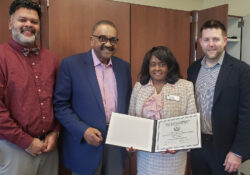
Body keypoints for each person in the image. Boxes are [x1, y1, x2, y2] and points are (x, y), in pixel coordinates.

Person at [53, 20, 132, 175]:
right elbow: (60, 105)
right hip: (85, 145)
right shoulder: (71, 65)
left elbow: (128, 103)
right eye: (103, 38)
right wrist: (83, 130)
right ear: (92, 40)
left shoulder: (123, 67)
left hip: (116, 143)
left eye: (113, 40)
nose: (108, 44)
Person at [0, 0, 60, 175]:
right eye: (22, 20)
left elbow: (60, 100)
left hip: (50, 148)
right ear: (10, 23)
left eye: (34, 21)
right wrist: (26, 141)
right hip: (13, 148)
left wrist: (55, 132)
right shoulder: (1, 56)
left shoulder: (52, 59)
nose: (28, 25)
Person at [188, 20, 250, 175]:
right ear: (201, 42)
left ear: (225, 40)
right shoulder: (193, 69)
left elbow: (247, 114)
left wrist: (238, 151)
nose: (211, 44)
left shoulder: (242, 71)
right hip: (197, 145)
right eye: (207, 39)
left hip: (225, 148)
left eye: (216, 39)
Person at [128, 46, 197, 175]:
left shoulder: (185, 87)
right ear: (147, 67)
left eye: (162, 64)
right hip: (146, 157)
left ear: (169, 66)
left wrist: (180, 146)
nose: (157, 69)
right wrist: (130, 142)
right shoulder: (139, 87)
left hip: (173, 157)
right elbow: (132, 117)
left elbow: (192, 123)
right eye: (153, 64)